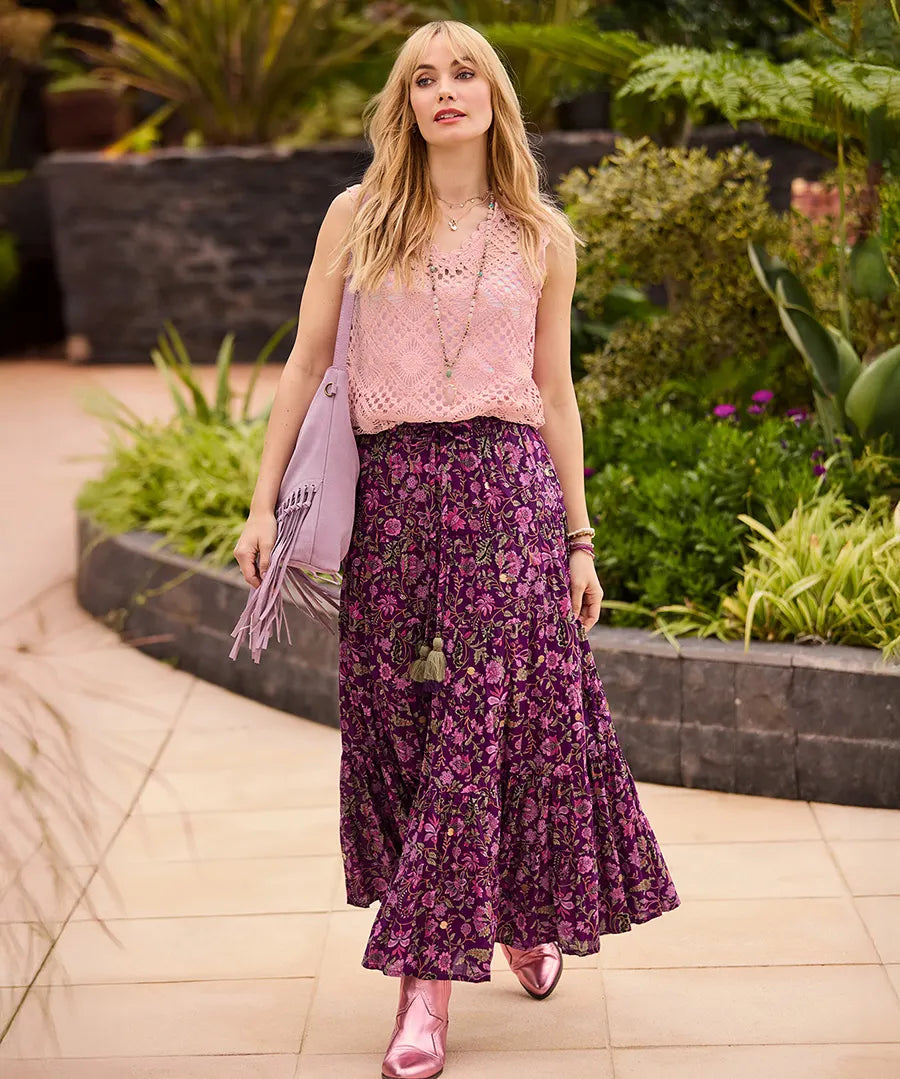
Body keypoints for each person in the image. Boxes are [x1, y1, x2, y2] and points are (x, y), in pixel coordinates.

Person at [234, 18, 680, 1079]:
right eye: (423, 77)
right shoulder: (357, 218)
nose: (445, 89)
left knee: (484, 728)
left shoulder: (542, 235)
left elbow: (557, 394)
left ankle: (424, 985)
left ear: (495, 96)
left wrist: (579, 537)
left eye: (464, 71)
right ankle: (511, 908)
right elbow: (301, 368)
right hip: (392, 496)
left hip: (508, 492)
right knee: (395, 720)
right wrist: (262, 506)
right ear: (404, 105)